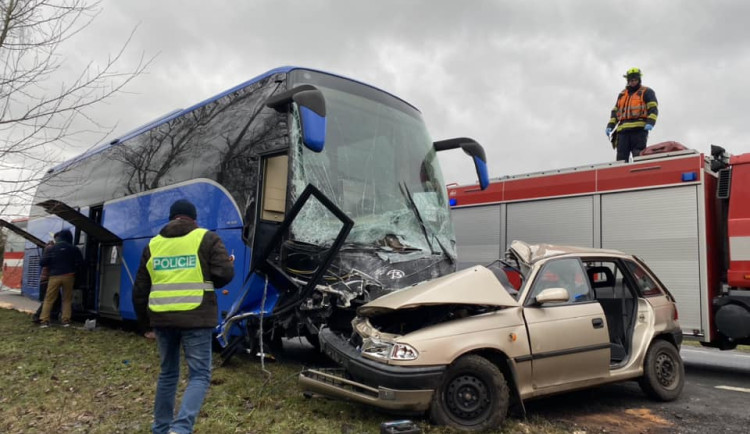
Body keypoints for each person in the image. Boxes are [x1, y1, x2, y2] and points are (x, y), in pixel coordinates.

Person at [133, 199, 234, 434]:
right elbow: (224, 274)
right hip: (195, 317)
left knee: (168, 373)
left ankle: (160, 427)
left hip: (162, 319)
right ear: (193, 218)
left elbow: (140, 288)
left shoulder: (153, 245)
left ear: (171, 217)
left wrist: (144, 325)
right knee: (199, 375)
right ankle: (180, 429)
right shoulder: (206, 238)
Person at [606, 67, 659, 162]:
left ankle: (639, 175)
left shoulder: (646, 92)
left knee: (638, 155)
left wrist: (650, 122)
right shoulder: (622, 94)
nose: (632, 82)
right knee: (621, 158)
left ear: (639, 79)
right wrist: (610, 125)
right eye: (630, 80)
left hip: (638, 130)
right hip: (622, 132)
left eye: (634, 80)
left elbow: (653, 108)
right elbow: (615, 112)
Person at [38, 230, 83, 328]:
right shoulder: (73, 248)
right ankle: (66, 320)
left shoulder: (51, 249)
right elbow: (80, 263)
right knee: (66, 299)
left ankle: (44, 320)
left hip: (54, 276)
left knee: (49, 299)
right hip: (69, 276)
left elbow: (42, 263)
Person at [32, 240, 61, 323]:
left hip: (45, 280)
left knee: (51, 300)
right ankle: (39, 316)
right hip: (48, 280)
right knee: (51, 300)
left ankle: (44, 316)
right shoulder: (50, 255)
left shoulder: (47, 254)